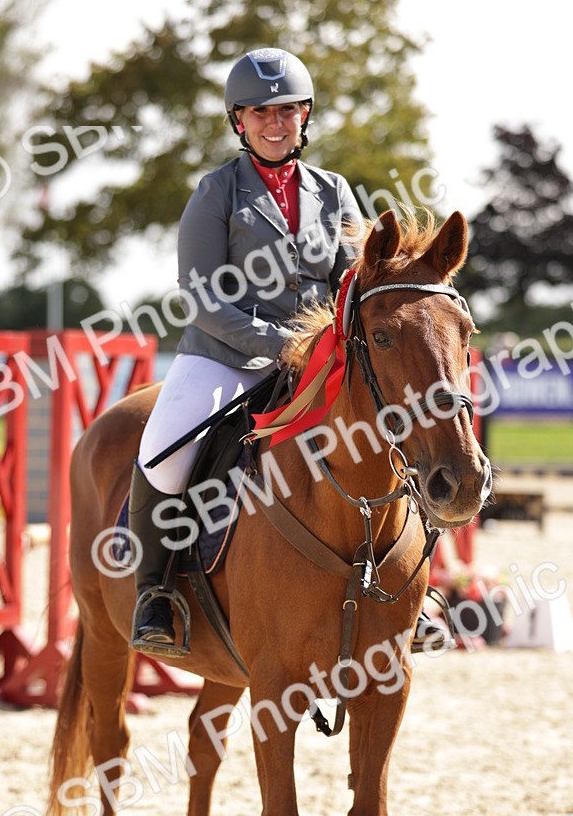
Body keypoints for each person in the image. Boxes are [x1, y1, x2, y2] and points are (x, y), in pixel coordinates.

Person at [128, 46, 451, 658]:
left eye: (287, 112)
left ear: (305, 118)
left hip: (319, 358)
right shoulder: (216, 193)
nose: (274, 124)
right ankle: (155, 591)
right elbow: (201, 298)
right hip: (222, 357)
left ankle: (418, 584)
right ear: (239, 122)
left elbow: (354, 283)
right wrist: (284, 345)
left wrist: (336, 342)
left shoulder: (333, 194)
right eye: (259, 114)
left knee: (400, 432)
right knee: (163, 453)